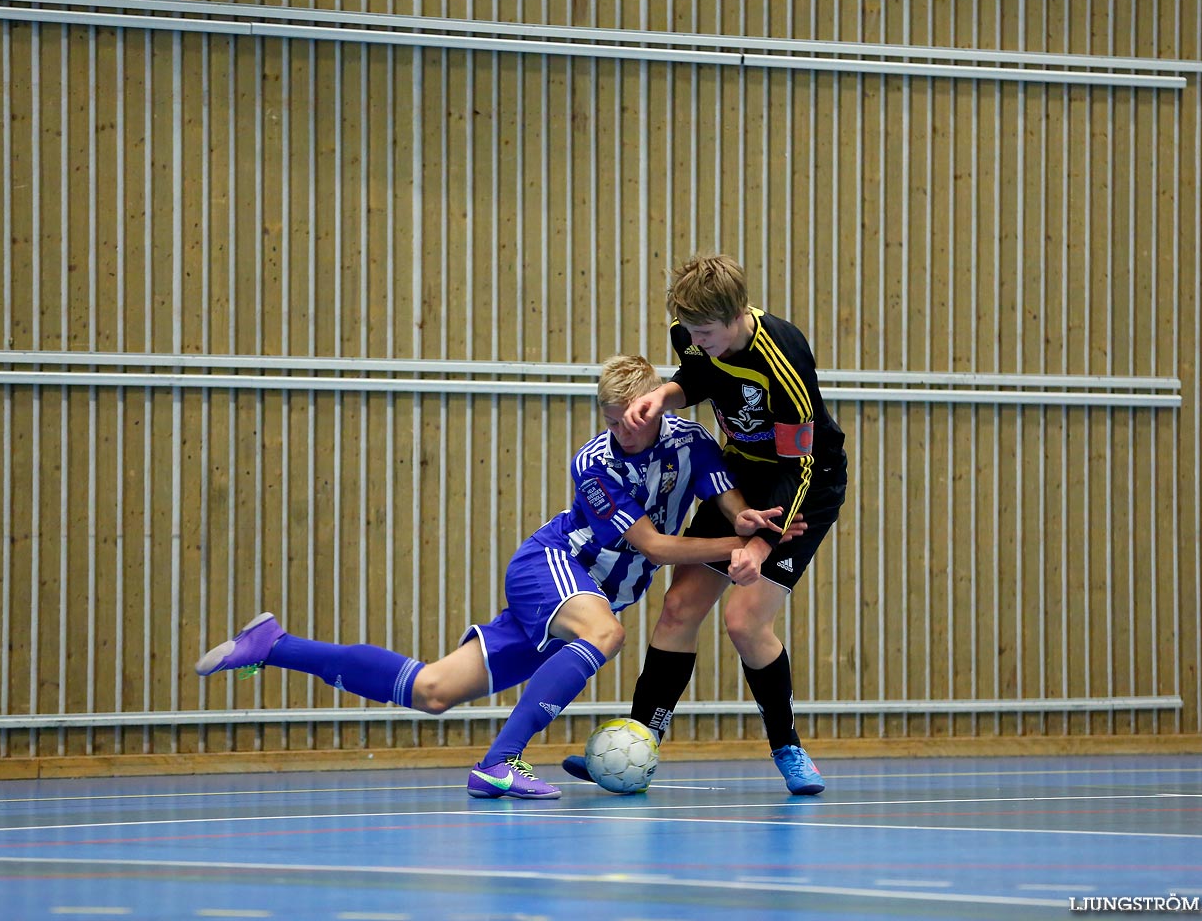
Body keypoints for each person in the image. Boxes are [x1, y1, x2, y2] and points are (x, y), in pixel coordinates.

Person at [195, 354, 800, 800]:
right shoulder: (594, 463)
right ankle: (501, 762)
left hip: (579, 594)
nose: (624, 431)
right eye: (613, 420)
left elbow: (727, 500)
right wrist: (740, 546)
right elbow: (656, 545)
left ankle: (274, 644)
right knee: (607, 634)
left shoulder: (692, 444)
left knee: (431, 691)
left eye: (633, 418)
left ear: (658, 403)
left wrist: (752, 529)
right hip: (551, 568)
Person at [561, 254, 848, 795]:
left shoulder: (784, 359)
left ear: (738, 314)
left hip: (803, 485)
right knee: (678, 607)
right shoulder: (689, 331)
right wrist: (661, 397)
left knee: (743, 621)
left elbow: (799, 464)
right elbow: (697, 376)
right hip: (740, 478)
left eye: (707, 332)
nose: (696, 338)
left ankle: (787, 746)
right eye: (689, 330)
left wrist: (762, 543)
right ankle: (639, 741)